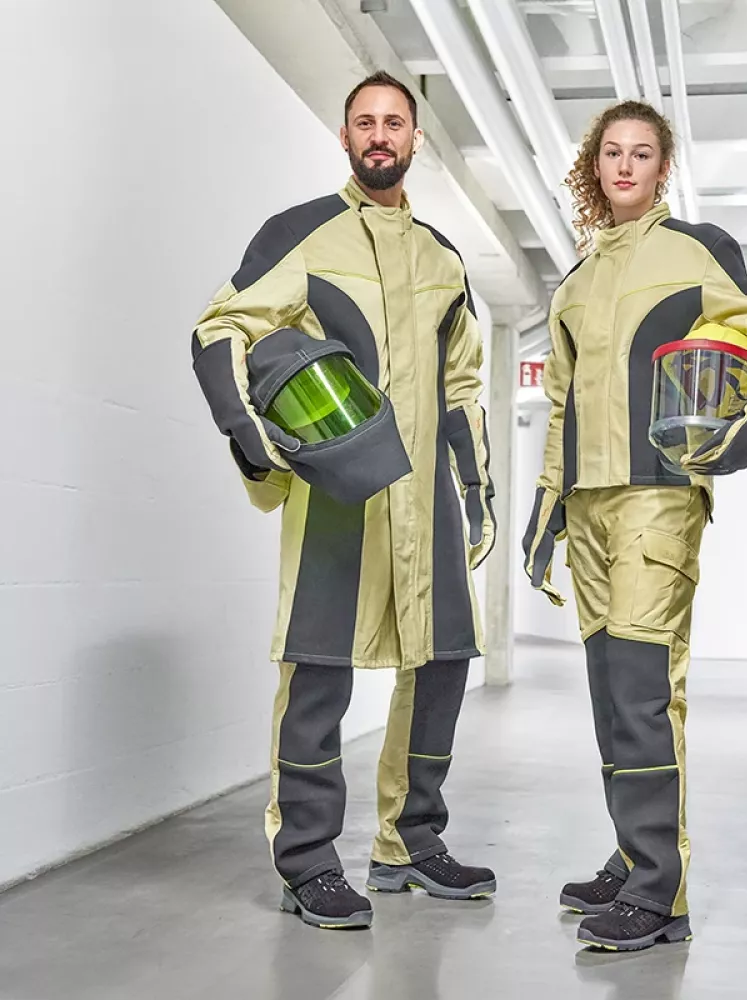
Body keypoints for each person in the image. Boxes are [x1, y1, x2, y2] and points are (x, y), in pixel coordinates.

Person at [191, 71, 497, 931]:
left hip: (424, 497)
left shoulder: (443, 256)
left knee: (440, 663)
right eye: (364, 121)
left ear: (415, 140)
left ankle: (410, 841)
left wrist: (475, 494)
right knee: (319, 669)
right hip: (339, 495)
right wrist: (255, 440)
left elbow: (465, 384)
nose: (379, 135)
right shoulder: (302, 233)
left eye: (393, 122)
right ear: (345, 136)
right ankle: (308, 862)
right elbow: (221, 327)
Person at [522, 100, 747, 952]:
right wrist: (547, 516)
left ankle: (663, 892)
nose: (624, 166)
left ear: (662, 168)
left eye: (641, 153)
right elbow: (562, 411)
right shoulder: (573, 285)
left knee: (648, 696)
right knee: (612, 699)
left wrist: (742, 433)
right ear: (594, 165)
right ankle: (632, 852)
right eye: (611, 152)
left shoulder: (696, 251)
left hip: (657, 498)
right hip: (587, 508)